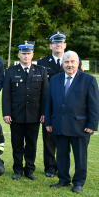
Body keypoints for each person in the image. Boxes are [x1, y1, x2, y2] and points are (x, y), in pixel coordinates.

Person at [45, 51, 99, 193]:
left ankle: (79, 182)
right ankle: (63, 179)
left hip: (80, 126)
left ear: (78, 63)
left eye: (72, 62)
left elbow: (94, 105)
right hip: (59, 125)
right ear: (62, 64)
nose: (69, 65)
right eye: (66, 62)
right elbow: (49, 103)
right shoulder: (55, 79)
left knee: (80, 156)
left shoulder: (89, 80)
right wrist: (48, 122)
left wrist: (92, 124)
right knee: (62, 155)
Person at [37, 30, 83, 177]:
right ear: (51, 45)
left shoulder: (75, 61)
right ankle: (50, 167)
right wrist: (43, 111)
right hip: (50, 107)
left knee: (67, 139)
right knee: (49, 139)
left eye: (61, 42)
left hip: (70, 109)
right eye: (55, 42)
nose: (58, 45)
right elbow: (41, 89)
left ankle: (66, 169)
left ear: (65, 45)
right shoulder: (42, 62)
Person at [2, 41, 48, 181]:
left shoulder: (41, 71)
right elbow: (6, 95)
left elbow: (44, 95)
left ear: (32, 54)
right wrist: (6, 113)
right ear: (19, 54)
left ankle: (29, 169)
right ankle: (17, 169)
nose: (26, 56)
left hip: (34, 115)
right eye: (23, 53)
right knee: (17, 144)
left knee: (31, 144)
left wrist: (43, 113)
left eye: (28, 53)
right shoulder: (10, 71)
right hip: (16, 115)